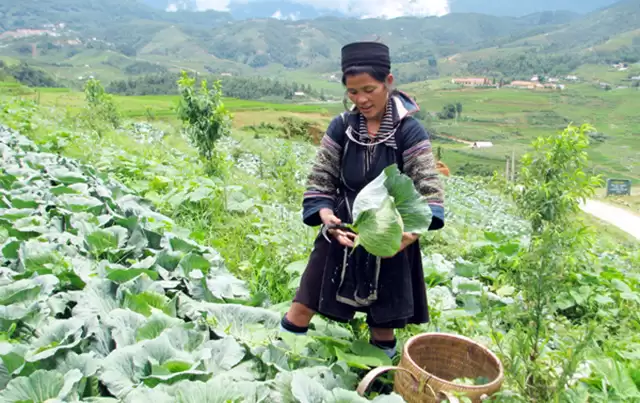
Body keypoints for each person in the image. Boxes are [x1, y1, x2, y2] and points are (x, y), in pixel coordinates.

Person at [280, 41, 445, 359]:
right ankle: (279, 363)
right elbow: (321, 179)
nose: (361, 99)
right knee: (303, 304)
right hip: (343, 229)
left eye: (369, 89)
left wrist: (403, 237)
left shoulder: (408, 132)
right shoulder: (342, 127)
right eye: (353, 92)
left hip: (392, 235)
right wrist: (327, 217)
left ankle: (378, 381)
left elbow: (429, 193)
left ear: (389, 82)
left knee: (383, 322)